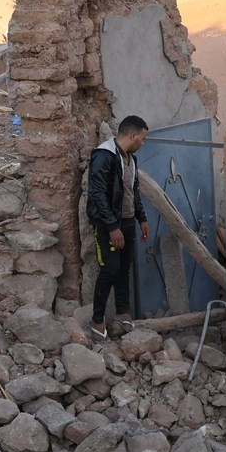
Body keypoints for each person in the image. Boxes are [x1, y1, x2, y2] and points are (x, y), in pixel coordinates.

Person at [86, 115, 151, 340]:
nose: (143, 143)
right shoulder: (104, 156)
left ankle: (123, 311)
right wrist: (112, 227)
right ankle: (97, 319)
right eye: (142, 138)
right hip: (108, 225)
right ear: (133, 135)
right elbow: (97, 194)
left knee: (124, 268)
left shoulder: (131, 159)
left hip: (128, 222)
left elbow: (134, 190)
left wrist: (142, 218)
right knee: (110, 269)